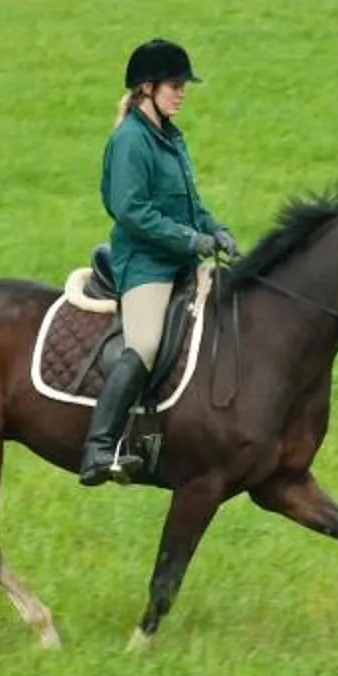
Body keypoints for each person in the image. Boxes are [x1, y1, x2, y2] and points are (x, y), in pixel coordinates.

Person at [82, 37, 237, 485]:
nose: (182, 92)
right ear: (147, 88)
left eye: (183, 84)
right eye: (174, 84)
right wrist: (191, 240)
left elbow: (190, 204)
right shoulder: (131, 140)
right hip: (145, 264)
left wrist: (216, 228)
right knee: (145, 344)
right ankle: (98, 448)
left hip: (179, 258)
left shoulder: (170, 137)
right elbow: (131, 211)